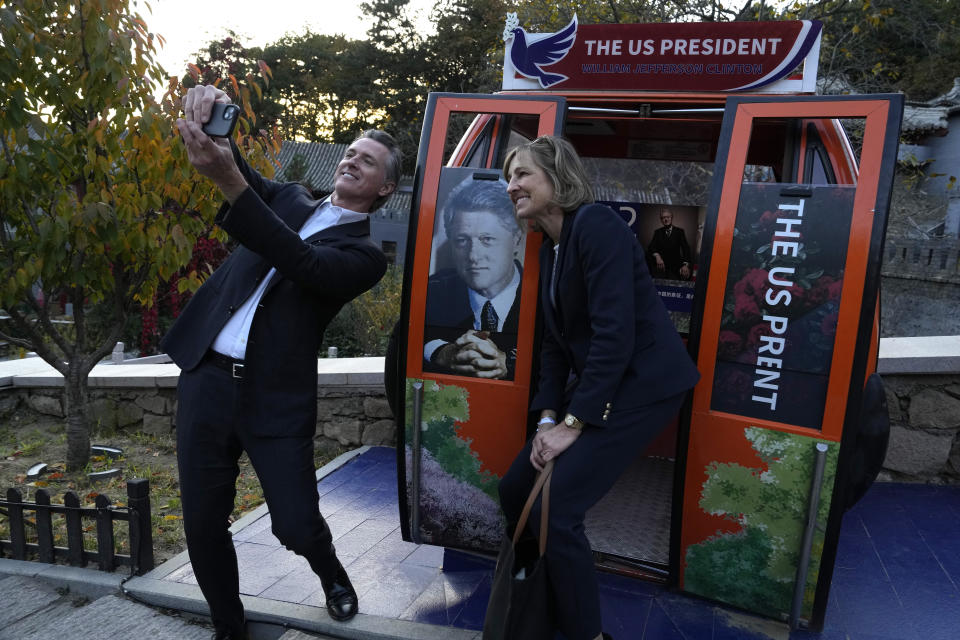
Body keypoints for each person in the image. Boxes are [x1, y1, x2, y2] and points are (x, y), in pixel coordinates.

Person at [162, 84, 400, 640]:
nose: (350, 160)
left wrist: (229, 180)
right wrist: (217, 118)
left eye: (367, 161)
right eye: (350, 151)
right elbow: (243, 171)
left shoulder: (365, 256)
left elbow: (301, 261)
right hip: (207, 379)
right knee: (201, 522)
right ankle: (229, 627)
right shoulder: (290, 198)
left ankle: (331, 573)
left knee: (294, 524)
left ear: (385, 187)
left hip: (275, 398)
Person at [495, 136, 700, 640]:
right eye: (509, 176)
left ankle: (587, 634)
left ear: (557, 179)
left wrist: (573, 423)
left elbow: (615, 335)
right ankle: (542, 596)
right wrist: (546, 418)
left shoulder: (597, 225)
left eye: (522, 174)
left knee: (557, 509)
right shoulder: (551, 249)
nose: (510, 185)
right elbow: (554, 348)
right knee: (516, 488)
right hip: (601, 383)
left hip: (645, 384)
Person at [423, 176, 524, 379]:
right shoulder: (431, 292)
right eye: (462, 240)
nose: (473, 256)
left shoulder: (545, 295)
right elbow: (406, 341)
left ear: (516, 240)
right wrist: (441, 352)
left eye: (487, 239)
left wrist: (512, 363)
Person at [647, 207, 692, 280]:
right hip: (662, 266)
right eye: (663, 218)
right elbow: (651, 247)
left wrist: (685, 265)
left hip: (676, 265)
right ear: (661, 220)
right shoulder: (657, 232)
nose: (666, 219)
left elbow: (685, 248)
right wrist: (657, 256)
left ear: (671, 218)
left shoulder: (679, 231)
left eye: (668, 217)